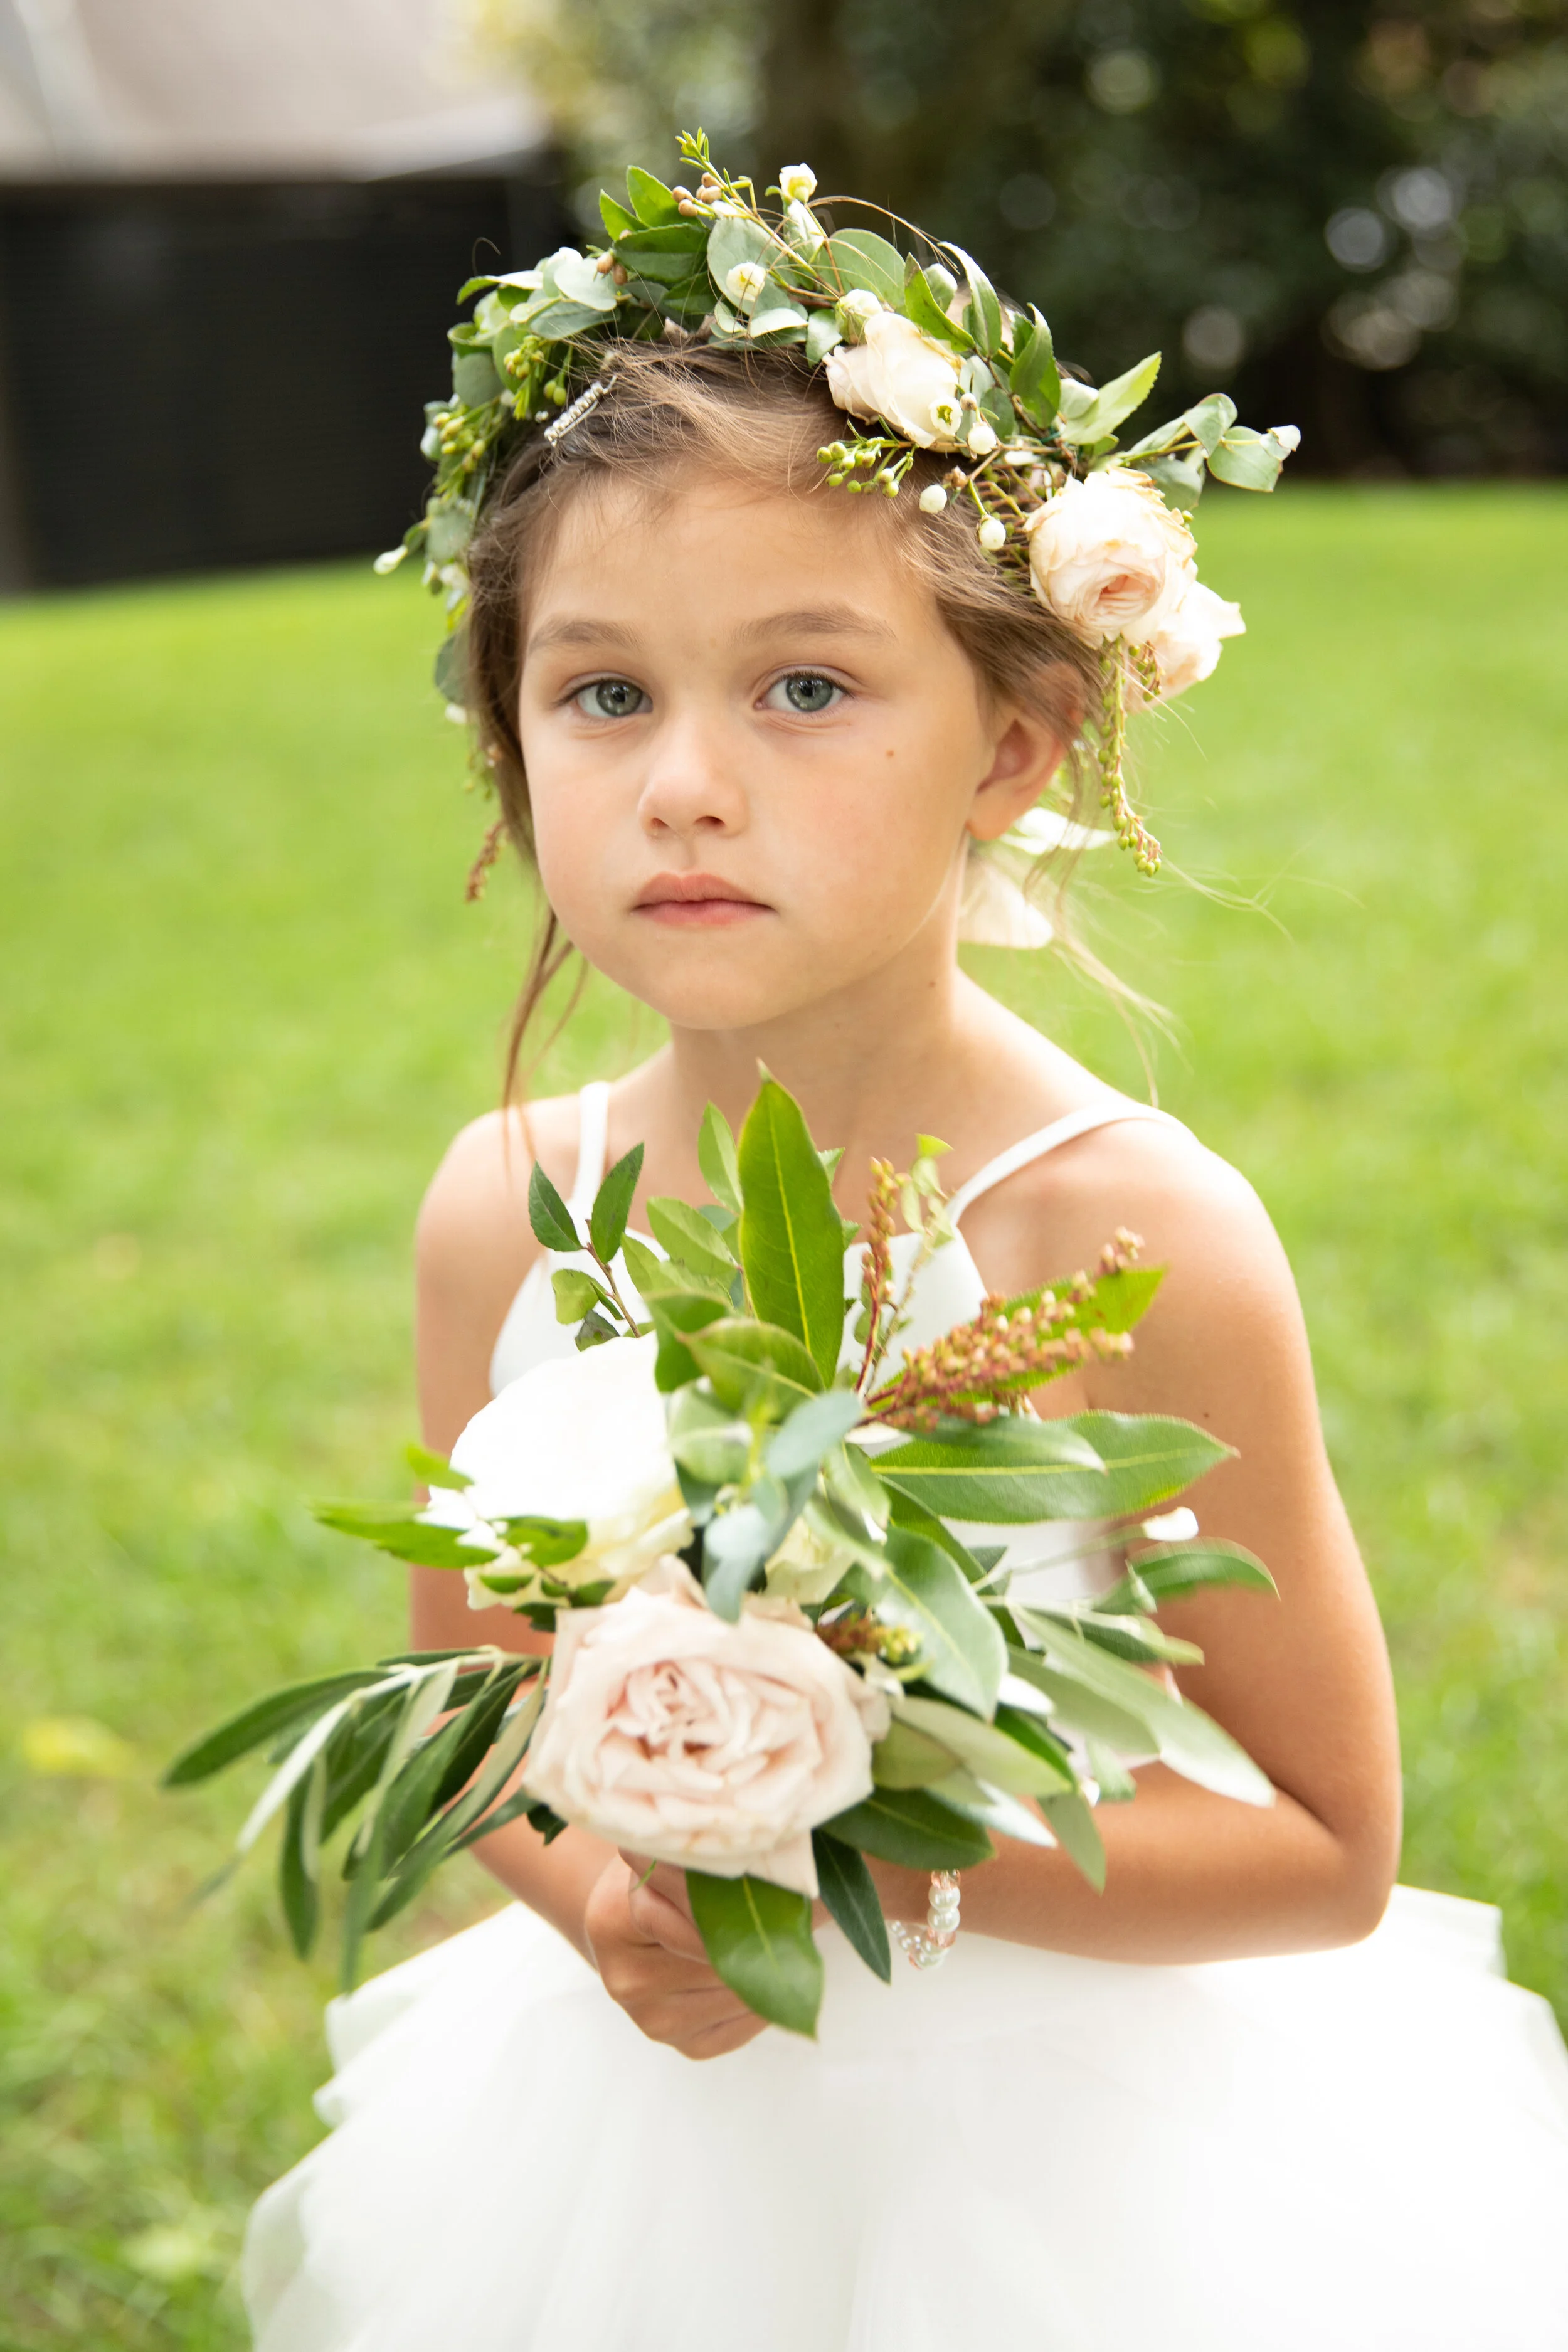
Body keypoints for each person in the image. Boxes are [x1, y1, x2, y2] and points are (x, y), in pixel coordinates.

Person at [243, 175, 1568, 2352]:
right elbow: (469, 1690)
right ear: (506, 739)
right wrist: (620, 1912)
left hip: (1073, 2160)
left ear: (1014, 743)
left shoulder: (1120, 1232)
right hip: (646, 2125)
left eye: (801, 686)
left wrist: (854, 1869)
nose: (684, 784)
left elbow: (1327, 1845)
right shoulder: (507, 1203)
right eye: (598, 696)